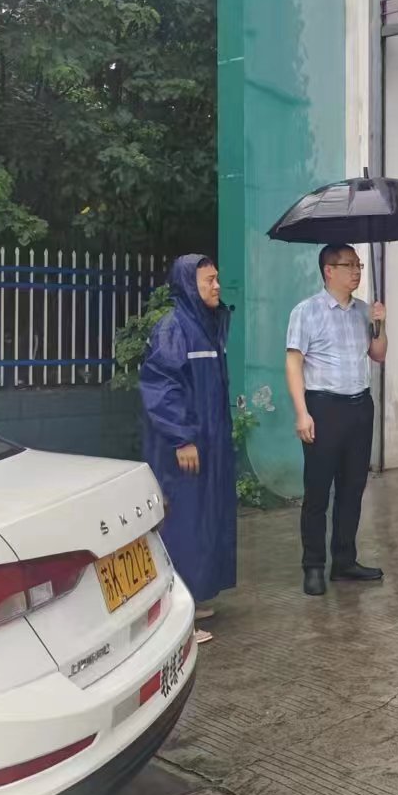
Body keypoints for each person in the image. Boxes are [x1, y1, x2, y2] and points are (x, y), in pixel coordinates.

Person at [139, 255, 235, 645]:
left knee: (206, 519)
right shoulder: (174, 328)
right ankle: (177, 618)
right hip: (184, 448)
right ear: (189, 285)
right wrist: (182, 438)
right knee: (183, 526)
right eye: (209, 280)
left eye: (217, 279)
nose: (217, 286)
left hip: (208, 442)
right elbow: (161, 387)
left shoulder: (206, 326)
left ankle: (192, 595)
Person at [285, 244, 388, 597]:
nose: (357, 271)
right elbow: (294, 364)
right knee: (317, 491)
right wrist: (302, 412)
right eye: (349, 265)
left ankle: (344, 561)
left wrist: (380, 324)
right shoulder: (306, 312)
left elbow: (378, 354)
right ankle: (313, 566)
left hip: (360, 406)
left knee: (352, 487)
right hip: (323, 407)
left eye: (359, 265)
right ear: (329, 271)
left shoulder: (363, 311)